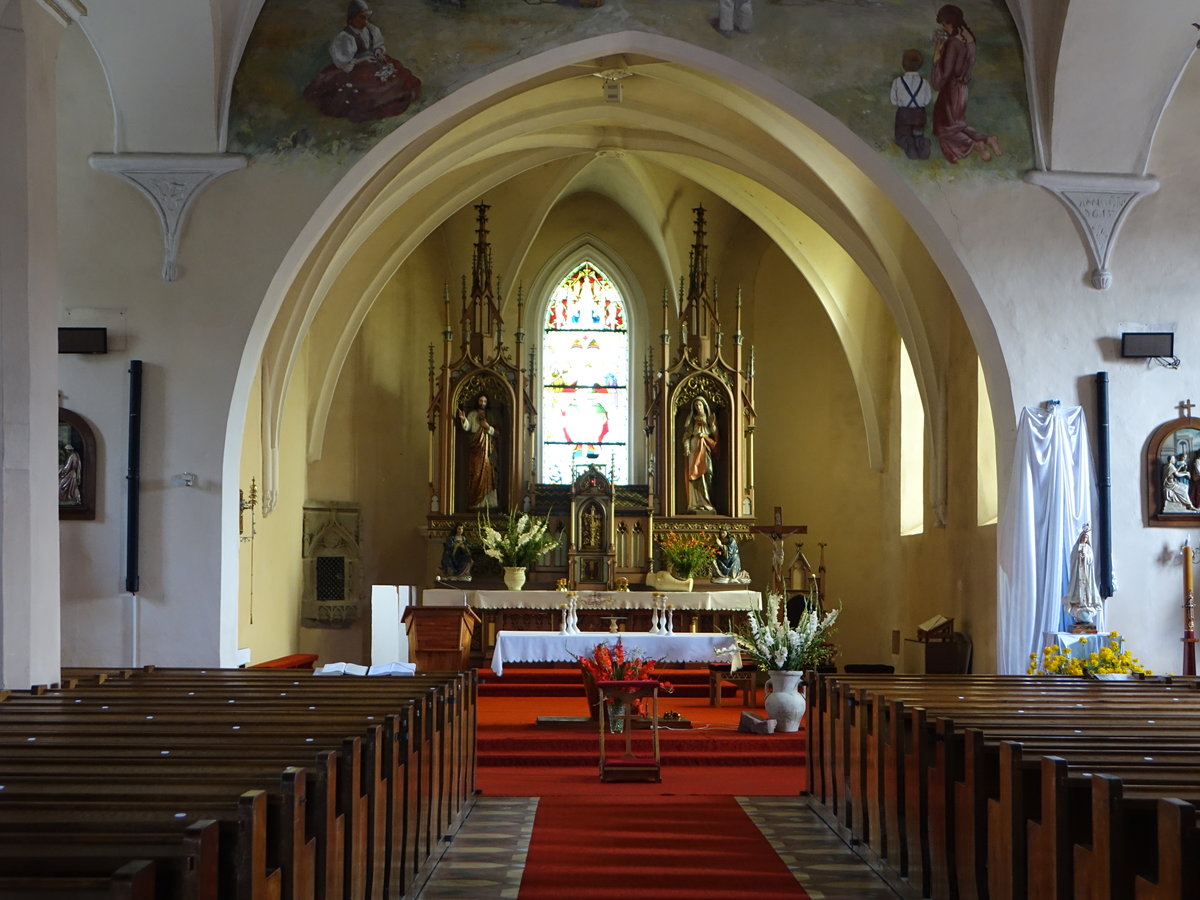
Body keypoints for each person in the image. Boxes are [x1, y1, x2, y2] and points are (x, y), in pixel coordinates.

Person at [302, 0, 421, 124]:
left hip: (374, 61)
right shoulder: (344, 37)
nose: (365, 21)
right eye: (361, 18)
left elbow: (378, 44)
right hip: (356, 68)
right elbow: (343, 61)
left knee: (396, 78)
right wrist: (360, 61)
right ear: (352, 18)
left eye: (366, 18)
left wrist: (379, 51)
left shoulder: (371, 29)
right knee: (366, 92)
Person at [930, 4, 1002, 164]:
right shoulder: (969, 37)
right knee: (957, 125)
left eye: (944, 24)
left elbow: (947, 71)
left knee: (944, 128)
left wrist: (936, 57)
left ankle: (976, 145)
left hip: (951, 89)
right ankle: (988, 139)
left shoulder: (953, 42)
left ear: (950, 22)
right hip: (962, 89)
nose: (944, 28)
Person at [458, 393, 498, 510]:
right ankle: (475, 503)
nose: (482, 403)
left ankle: (488, 504)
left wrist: (488, 427)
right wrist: (464, 419)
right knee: (476, 475)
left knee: (488, 475)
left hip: (488, 453)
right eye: (481, 401)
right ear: (477, 402)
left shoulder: (490, 415)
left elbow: (497, 432)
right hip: (476, 450)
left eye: (485, 401)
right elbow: (468, 427)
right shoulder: (472, 414)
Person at [890, 49, 932, 160]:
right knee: (918, 133)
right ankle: (921, 143)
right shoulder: (924, 82)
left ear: (903, 64)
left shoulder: (897, 81)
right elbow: (927, 100)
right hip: (919, 114)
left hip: (904, 114)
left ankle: (908, 144)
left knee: (901, 136)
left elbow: (893, 100)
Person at [1062, 524, 1102, 630]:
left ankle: (1087, 604)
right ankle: (1078, 604)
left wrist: (1085, 557)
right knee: (1077, 590)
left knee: (1088, 589)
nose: (1084, 539)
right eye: (1083, 537)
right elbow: (1073, 558)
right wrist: (1079, 555)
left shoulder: (1088, 548)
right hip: (1078, 573)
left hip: (1086, 573)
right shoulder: (1076, 547)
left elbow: (1091, 559)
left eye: (1086, 538)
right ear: (1080, 537)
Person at [681, 396, 718, 513]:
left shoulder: (709, 419)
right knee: (695, 476)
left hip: (705, 447)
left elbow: (715, 434)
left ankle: (707, 502)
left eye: (700, 405)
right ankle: (695, 503)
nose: (698, 407)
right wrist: (687, 448)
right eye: (696, 406)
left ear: (704, 406)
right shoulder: (692, 420)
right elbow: (686, 436)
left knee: (708, 473)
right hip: (694, 448)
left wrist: (712, 425)